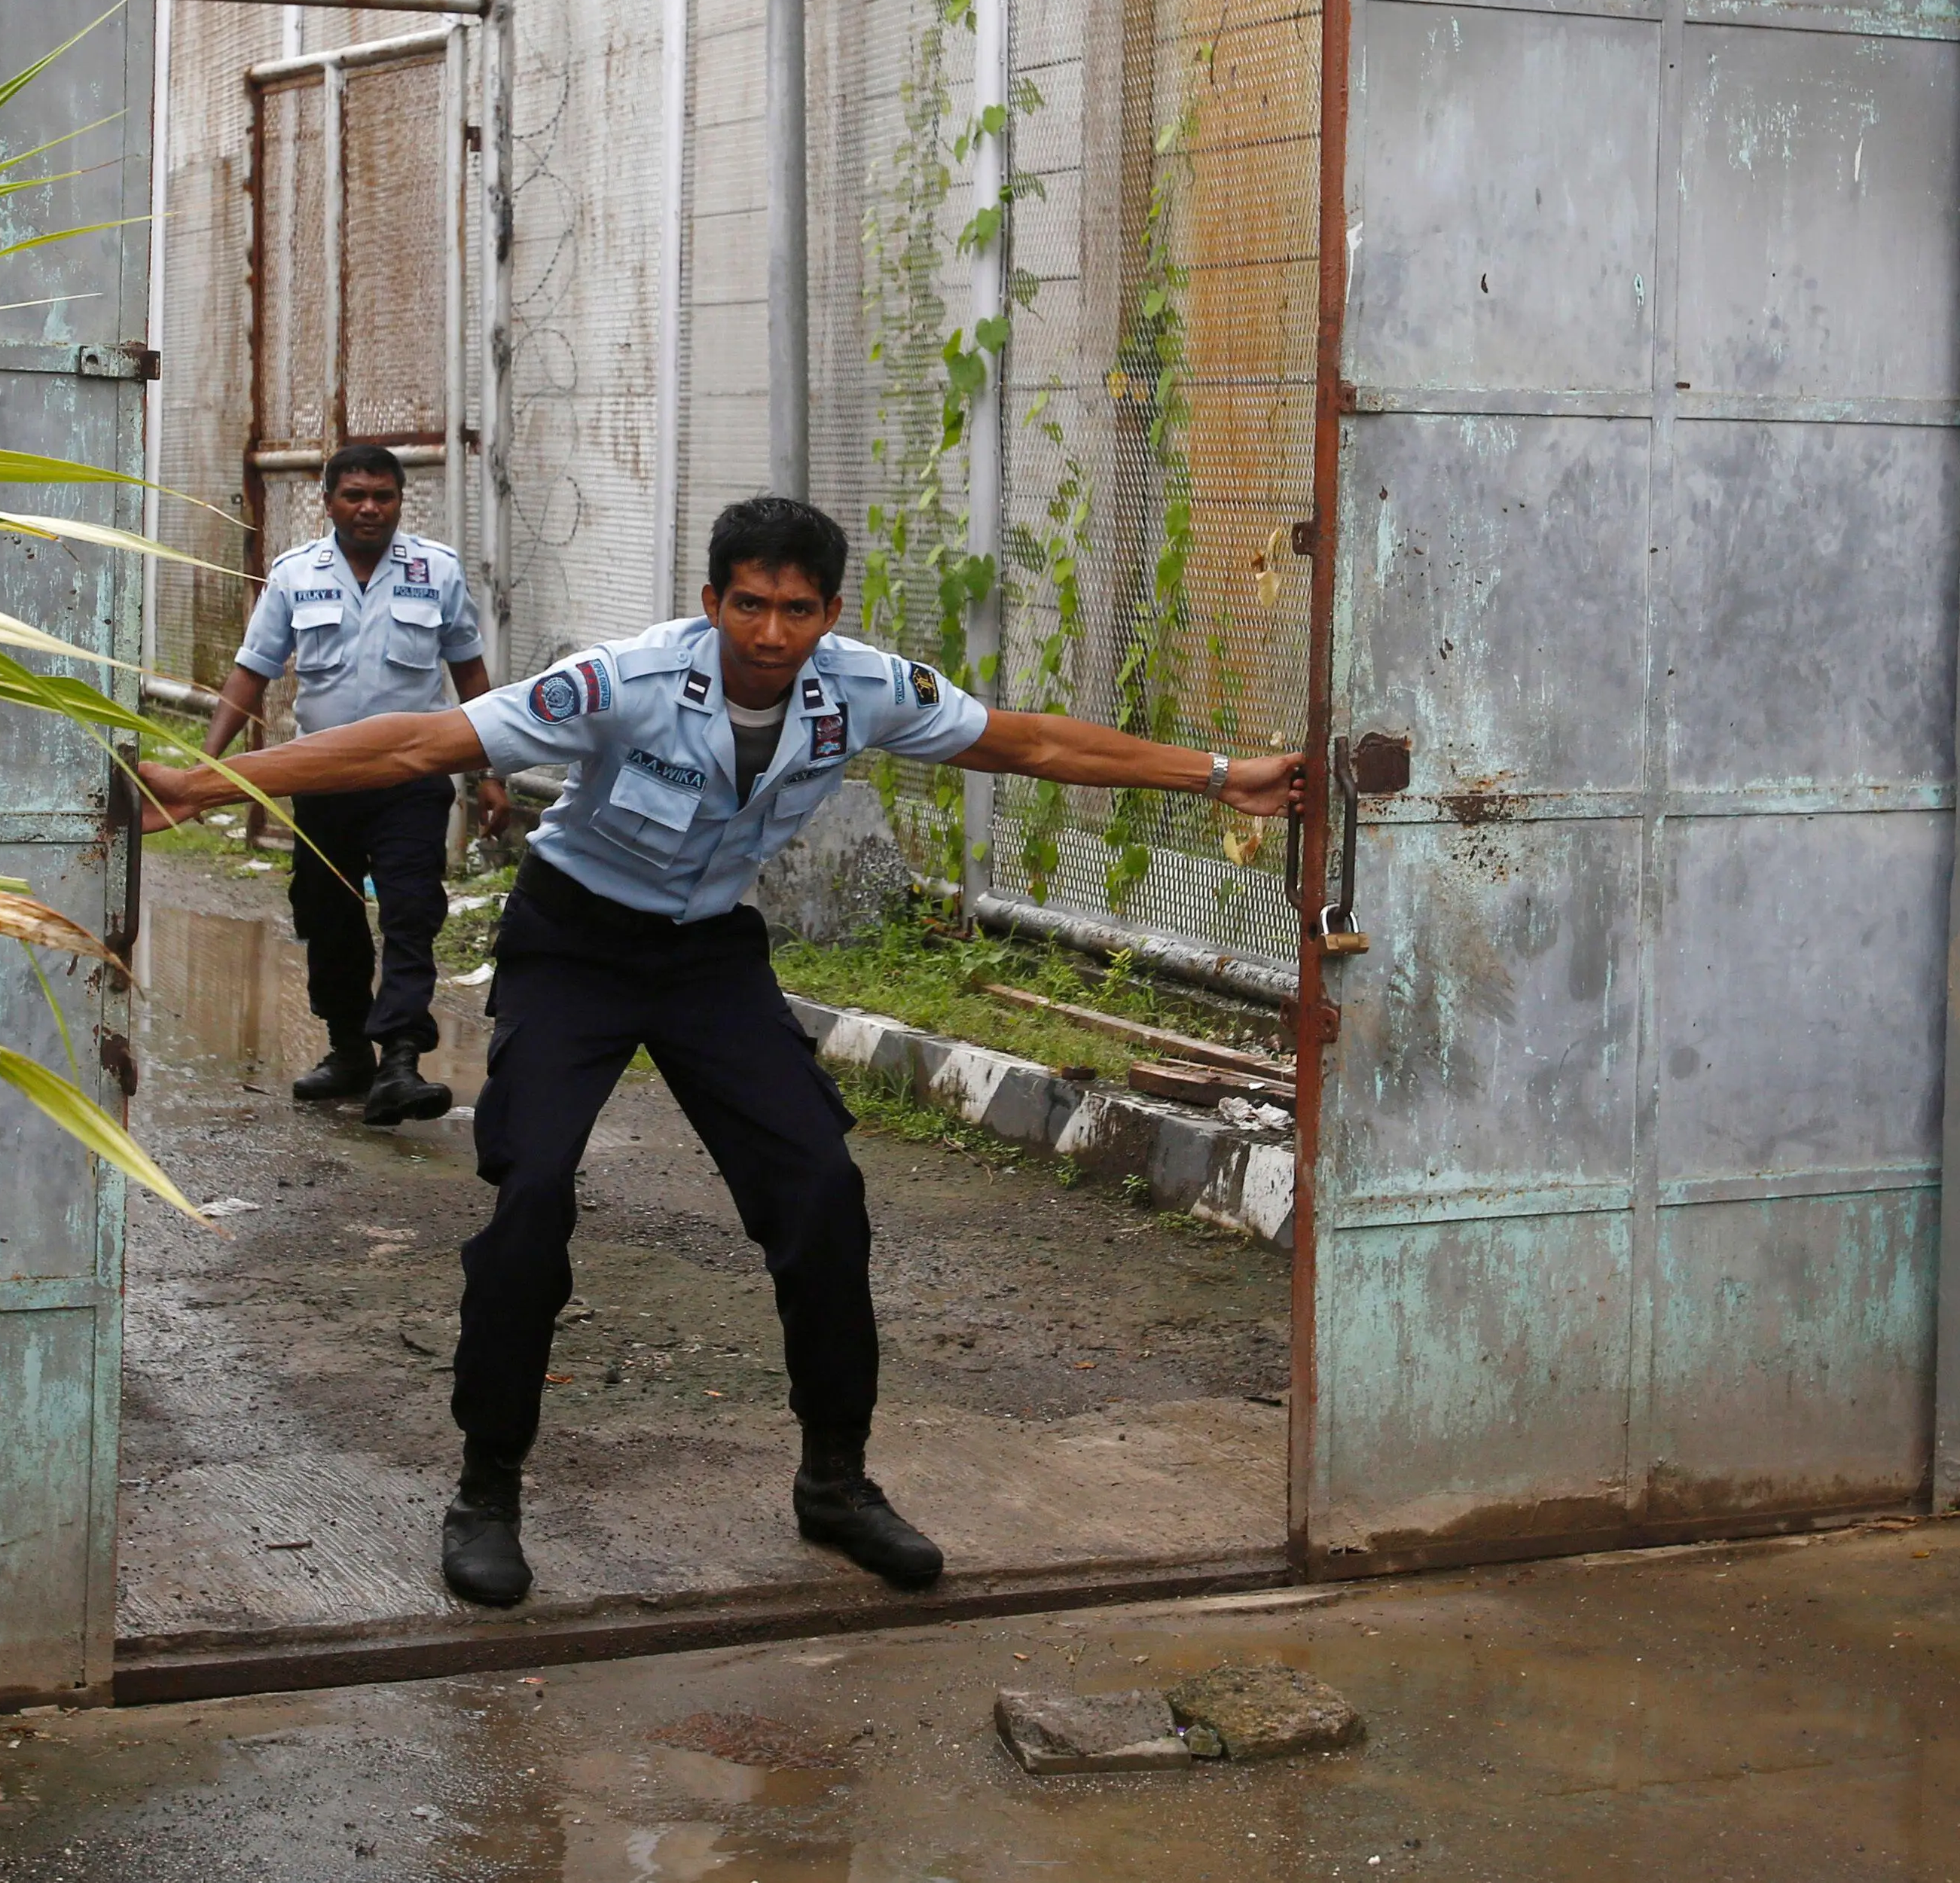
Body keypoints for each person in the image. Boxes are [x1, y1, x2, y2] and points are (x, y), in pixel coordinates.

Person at [140, 496, 1305, 1607]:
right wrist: (205, 782)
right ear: (712, 598)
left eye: (798, 611)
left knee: (822, 1193)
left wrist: (1217, 776)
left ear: (831, 614)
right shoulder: (627, 678)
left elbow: (1031, 743)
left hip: (709, 955)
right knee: (533, 1195)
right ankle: (487, 1491)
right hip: (576, 943)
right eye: (749, 605)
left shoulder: (863, 690)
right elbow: (415, 742)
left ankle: (835, 1482)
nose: (771, 633)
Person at [201, 444, 510, 1126]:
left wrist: (490, 773)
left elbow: (470, 675)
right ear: (329, 500)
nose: (369, 508)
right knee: (327, 913)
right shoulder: (295, 575)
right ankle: (348, 1052)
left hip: (412, 778)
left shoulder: (438, 572)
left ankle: (400, 1059)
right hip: (324, 778)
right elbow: (252, 670)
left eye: (383, 496)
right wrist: (204, 767)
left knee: (410, 912)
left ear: (402, 501)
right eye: (355, 496)